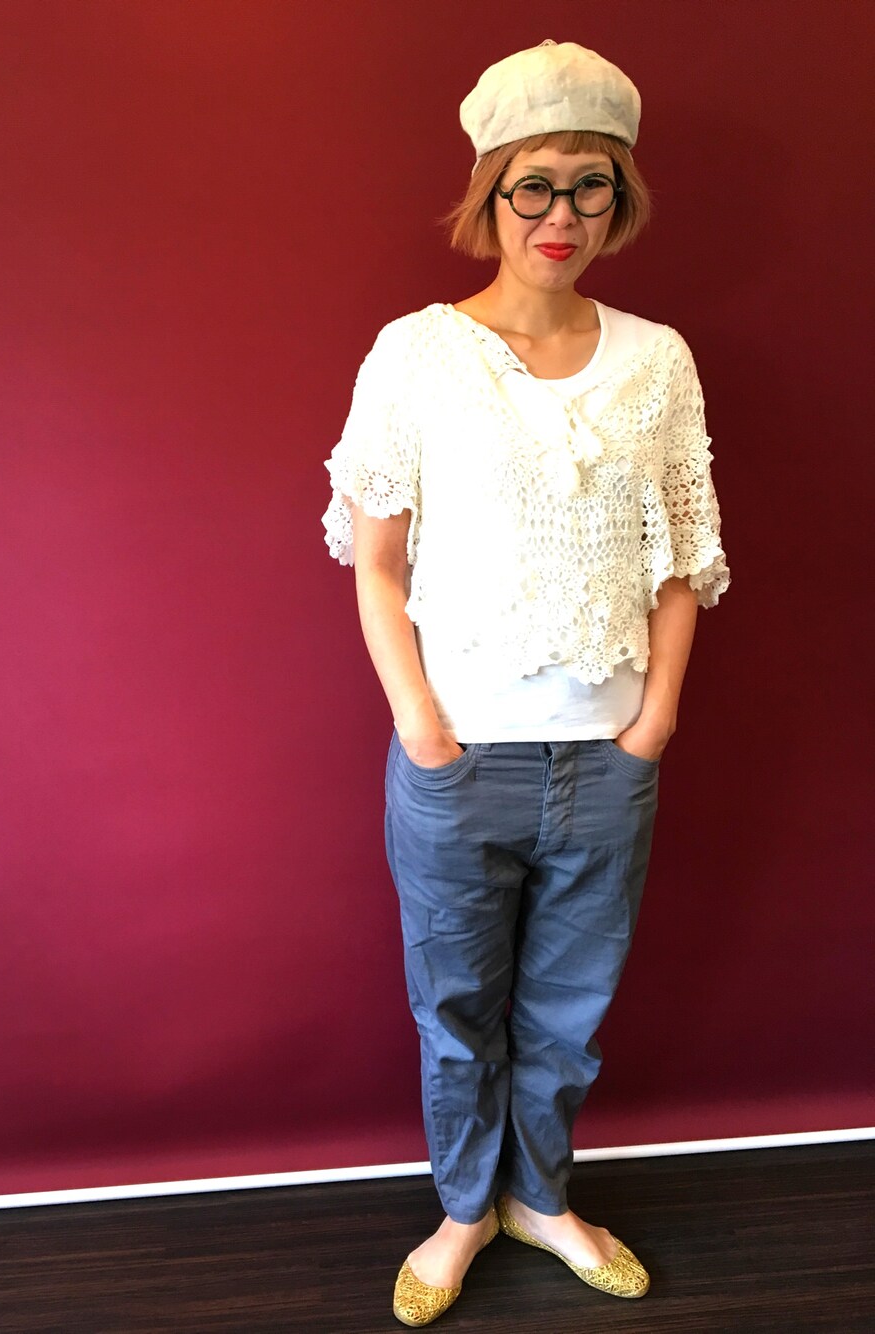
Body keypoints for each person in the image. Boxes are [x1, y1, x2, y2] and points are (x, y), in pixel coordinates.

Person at [322, 38, 730, 1328]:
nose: (561, 216)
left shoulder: (658, 363)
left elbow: (684, 559)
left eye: (590, 186)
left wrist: (652, 725)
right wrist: (422, 729)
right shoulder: (417, 356)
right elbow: (375, 563)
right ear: (491, 191)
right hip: (457, 762)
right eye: (535, 186)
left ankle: (543, 1199)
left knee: (569, 1009)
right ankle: (462, 1210)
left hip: (606, 762)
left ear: (622, 197)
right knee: (457, 1009)